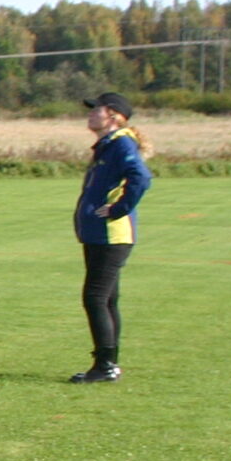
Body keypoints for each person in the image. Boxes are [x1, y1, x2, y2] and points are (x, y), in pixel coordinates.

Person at [70, 90, 153, 382]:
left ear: (114, 117)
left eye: (97, 110)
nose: (91, 114)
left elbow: (141, 177)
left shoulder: (121, 143)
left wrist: (119, 209)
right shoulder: (108, 145)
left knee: (95, 297)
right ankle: (109, 364)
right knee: (107, 299)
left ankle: (104, 366)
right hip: (98, 234)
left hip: (111, 234)